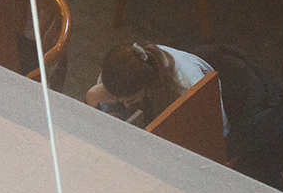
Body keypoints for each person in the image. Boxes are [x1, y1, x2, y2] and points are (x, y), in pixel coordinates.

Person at [86, 42, 229, 134]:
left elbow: (216, 128)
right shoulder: (117, 72)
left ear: (145, 84)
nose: (126, 105)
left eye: (130, 99)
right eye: (115, 98)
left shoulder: (188, 87)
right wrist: (92, 98)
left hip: (208, 127)